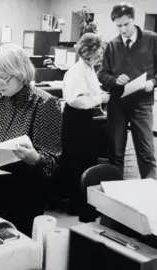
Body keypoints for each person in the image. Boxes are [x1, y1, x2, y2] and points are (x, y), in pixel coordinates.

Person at [0, 43, 62, 237]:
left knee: (20, 249)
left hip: (25, 192)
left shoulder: (44, 103)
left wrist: (35, 158)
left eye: (4, 78)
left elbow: (52, 163)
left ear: (21, 73)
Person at [98, 3, 157, 179]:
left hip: (142, 104)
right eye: (118, 26)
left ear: (133, 20)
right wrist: (114, 80)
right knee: (116, 153)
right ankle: (115, 192)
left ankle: (151, 190)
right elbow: (102, 74)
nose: (123, 30)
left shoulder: (152, 39)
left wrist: (153, 82)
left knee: (146, 152)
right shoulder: (112, 45)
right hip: (117, 105)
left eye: (126, 24)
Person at [60, 33, 110, 214]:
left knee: (85, 159)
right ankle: (76, 204)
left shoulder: (89, 68)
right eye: (97, 53)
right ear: (87, 53)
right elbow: (77, 100)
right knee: (76, 161)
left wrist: (99, 94)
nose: (100, 56)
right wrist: (100, 98)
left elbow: (88, 91)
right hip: (76, 120)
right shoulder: (76, 72)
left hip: (84, 119)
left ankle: (82, 201)